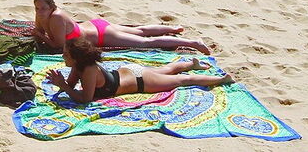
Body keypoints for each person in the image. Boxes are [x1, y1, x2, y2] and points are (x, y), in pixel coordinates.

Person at [46, 38, 231, 103]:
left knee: (183, 81)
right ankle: (192, 64)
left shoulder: (88, 69)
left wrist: (64, 86)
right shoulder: (78, 66)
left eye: (66, 54)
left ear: (76, 57)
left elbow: (85, 99)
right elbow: (70, 87)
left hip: (140, 80)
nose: (63, 57)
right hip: (129, 71)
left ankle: (222, 79)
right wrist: (61, 83)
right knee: (166, 69)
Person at [32, 0, 209, 54]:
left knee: (145, 42)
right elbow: (40, 32)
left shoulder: (56, 17)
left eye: (43, 8)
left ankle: (192, 43)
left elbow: (59, 45)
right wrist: (39, 33)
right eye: (37, 8)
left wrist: (41, 36)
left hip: (101, 35)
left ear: (51, 6)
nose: (40, 12)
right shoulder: (42, 15)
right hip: (94, 25)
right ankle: (173, 29)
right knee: (140, 31)